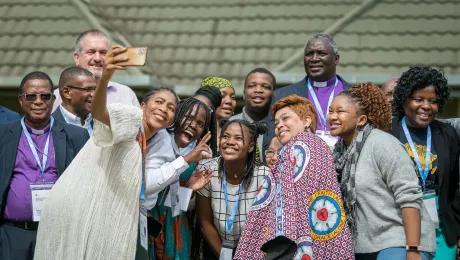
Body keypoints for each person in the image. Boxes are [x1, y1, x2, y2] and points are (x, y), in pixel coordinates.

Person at [34, 46, 212, 260]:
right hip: (78, 204)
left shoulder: (162, 139)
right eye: (159, 102)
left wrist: (185, 164)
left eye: (171, 108)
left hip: (115, 215)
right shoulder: (130, 117)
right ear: (143, 106)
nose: (164, 109)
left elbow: (148, 183)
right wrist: (106, 75)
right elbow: (99, 113)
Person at [234, 95, 354, 260]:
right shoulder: (309, 145)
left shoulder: (303, 143)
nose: (280, 126)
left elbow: (298, 199)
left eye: (285, 119)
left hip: (298, 243)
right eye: (276, 123)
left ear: (306, 121)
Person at [329, 82, 435, 259]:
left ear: (361, 120)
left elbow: (409, 197)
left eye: (340, 111)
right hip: (363, 245)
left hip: (401, 241)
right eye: (330, 111)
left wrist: (413, 249)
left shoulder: (382, 144)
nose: (332, 116)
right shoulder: (339, 153)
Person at [0, 71, 89, 260]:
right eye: (31, 96)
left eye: (45, 96)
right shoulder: (3, 134)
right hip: (13, 234)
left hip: (59, 233)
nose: (38, 101)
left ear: (53, 99)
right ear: (21, 100)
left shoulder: (76, 136)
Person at [391, 67, 460, 259]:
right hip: (398, 226)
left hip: (441, 228)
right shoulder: (387, 131)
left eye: (433, 101)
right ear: (404, 99)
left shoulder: (447, 134)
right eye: (418, 99)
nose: (426, 106)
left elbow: (456, 186)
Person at [149, 97, 214, 259]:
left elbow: (175, 204)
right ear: (176, 116)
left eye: (200, 124)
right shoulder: (155, 140)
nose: (193, 125)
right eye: (189, 118)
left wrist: (189, 189)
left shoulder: (201, 157)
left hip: (175, 227)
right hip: (147, 220)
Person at [265, 33, 353, 152]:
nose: (314, 58)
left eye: (321, 53)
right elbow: (269, 144)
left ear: (336, 59)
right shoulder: (282, 96)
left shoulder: (355, 95)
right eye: (309, 54)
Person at [196, 119, 268, 259]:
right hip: (216, 246)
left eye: (238, 138)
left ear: (251, 146)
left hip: (254, 249)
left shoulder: (264, 175)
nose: (229, 141)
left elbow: (266, 225)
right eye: (225, 136)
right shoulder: (207, 170)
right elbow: (205, 222)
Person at [52, 30, 140, 111]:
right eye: (90, 52)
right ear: (77, 58)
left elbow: (139, 128)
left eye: (103, 53)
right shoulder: (58, 97)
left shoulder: (125, 94)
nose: (97, 58)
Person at [231, 68, 276, 161]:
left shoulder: (281, 128)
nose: (258, 90)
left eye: (266, 86)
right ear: (244, 94)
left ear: (274, 94)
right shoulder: (229, 125)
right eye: (252, 86)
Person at [52, 67, 97, 135]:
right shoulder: (49, 127)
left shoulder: (101, 123)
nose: (94, 94)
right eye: (87, 89)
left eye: (95, 89)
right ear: (67, 92)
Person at [201, 77, 236, 153]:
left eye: (233, 97)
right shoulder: (193, 133)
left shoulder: (241, 134)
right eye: (222, 96)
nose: (229, 101)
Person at [193, 85, 223, 156]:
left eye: (204, 108)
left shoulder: (205, 152)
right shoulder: (165, 132)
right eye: (194, 103)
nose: (197, 110)